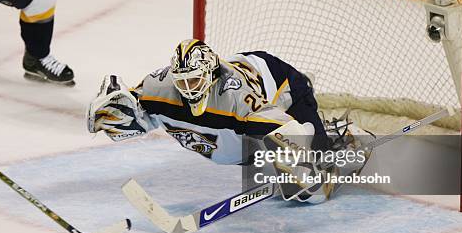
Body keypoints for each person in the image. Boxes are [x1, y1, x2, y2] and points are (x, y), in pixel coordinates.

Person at [88, 39, 360, 203]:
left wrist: (304, 158)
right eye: (182, 81)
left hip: (283, 87)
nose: (188, 89)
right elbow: (133, 107)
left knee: (311, 193)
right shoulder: (161, 88)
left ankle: (339, 141)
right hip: (248, 96)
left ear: (210, 74)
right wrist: (115, 113)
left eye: (194, 81)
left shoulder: (236, 100)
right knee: (263, 161)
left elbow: (283, 127)